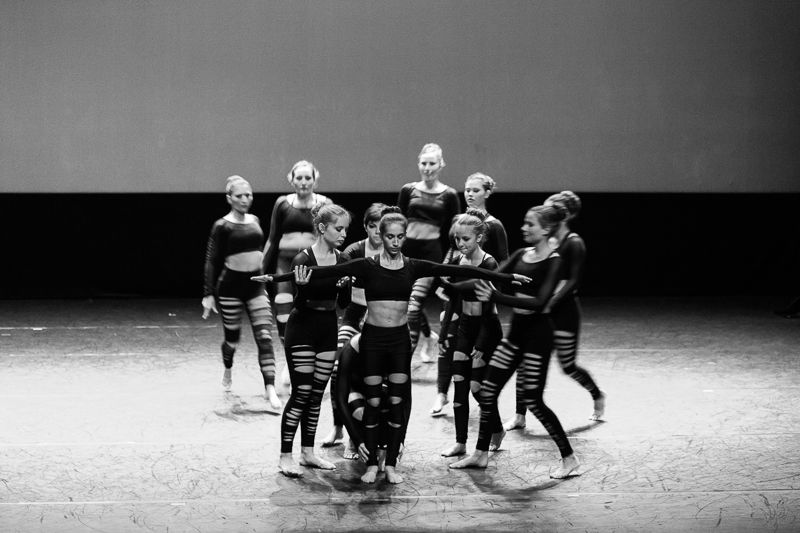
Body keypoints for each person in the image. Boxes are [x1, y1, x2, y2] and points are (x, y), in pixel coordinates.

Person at [255, 207, 529, 484]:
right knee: (361, 400)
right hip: (365, 338)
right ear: (380, 236)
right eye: (390, 236)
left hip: (396, 341)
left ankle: (385, 463)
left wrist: (507, 278)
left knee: (390, 401)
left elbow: (456, 269)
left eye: (400, 236)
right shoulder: (365, 264)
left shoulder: (413, 265)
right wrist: (274, 279)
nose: (395, 242)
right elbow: (323, 271)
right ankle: (362, 462)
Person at [450, 205, 581, 480]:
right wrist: (443, 282)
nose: (524, 228)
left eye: (530, 224)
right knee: (487, 392)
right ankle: (481, 453)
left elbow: (540, 302)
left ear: (546, 229)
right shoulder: (522, 254)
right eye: (524, 223)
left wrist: (496, 297)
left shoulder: (554, 261)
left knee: (534, 400)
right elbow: (490, 278)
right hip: (515, 337)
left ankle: (569, 458)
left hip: (538, 338)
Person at [258, 203, 351, 477]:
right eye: (338, 228)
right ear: (322, 228)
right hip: (303, 329)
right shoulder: (303, 259)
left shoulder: (343, 260)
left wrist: (345, 286)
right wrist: (302, 287)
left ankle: (308, 453)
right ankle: (285, 455)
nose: (343, 234)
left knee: (316, 395)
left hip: (328, 328)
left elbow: (343, 304)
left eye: (345, 229)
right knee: (301, 393)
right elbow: (301, 303)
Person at [504, 191, 605, 432]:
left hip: (563, 312)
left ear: (565, 215)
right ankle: (519, 415)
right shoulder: (543, 242)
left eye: (551, 210)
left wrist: (550, 302)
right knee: (524, 363)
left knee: (567, 366)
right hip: (539, 312)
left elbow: (573, 281)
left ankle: (597, 394)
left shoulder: (573, 242)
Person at [431, 172, 509, 416]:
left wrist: (493, 291)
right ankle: (442, 392)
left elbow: (503, 261)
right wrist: (445, 277)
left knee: (475, 353)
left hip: (479, 295)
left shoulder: (493, 225)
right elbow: (452, 252)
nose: (470, 194)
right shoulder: (460, 221)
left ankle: (485, 401)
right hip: (458, 289)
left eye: (476, 190)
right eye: (467, 190)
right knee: (448, 337)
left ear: (487, 193)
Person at [202, 176, 281, 410]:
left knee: (265, 337)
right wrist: (208, 293)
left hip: (255, 287)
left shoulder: (255, 220)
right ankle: (228, 367)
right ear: (229, 198)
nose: (245, 199)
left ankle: (270, 387)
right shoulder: (222, 226)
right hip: (230, 289)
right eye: (239, 196)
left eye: (248, 195)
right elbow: (212, 260)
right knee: (232, 340)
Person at [436, 210, 506, 457]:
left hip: (487, 329)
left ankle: (497, 429)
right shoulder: (458, 262)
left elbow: (489, 306)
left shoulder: (489, 263)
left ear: (479, 237)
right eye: (457, 239)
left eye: (465, 239)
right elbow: (453, 301)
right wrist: (444, 334)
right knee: (459, 385)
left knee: (478, 388)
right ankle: (460, 442)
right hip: (465, 327)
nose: (460, 243)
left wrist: (482, 343)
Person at [321, 203, 386, 449]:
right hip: (355, 315)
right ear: (366, 227)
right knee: (337, 368)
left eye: (382, 227)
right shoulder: (354, 251)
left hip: (382, 318)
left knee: (379, 373)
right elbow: (340, 283)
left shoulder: (394, 251)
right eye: (372, 226)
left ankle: (377, 432)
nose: (377, 232)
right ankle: (338, 426)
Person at [398, 144, 461, 362]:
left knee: (413, 305)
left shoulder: (449, 195)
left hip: (429, 254)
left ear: (441, 165)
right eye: (423, 163)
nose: (427, 167)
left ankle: (403, 362)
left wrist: (451, 262)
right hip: (405, 252)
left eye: (432, 163)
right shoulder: (408, 190)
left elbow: (455, 231)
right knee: (406, 302)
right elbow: (397, 222)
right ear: (418, 164)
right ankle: (427, 335)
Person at [261, 161, 332, 350]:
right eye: (299, 178)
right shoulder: (282, 203)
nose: (303, 182)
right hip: (285, 263)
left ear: (315, 180)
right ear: (291, 181)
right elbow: (272, 239)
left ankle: (312, 350)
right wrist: (260, 269)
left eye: (308, 177)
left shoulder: (325, 204)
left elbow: (331, 239)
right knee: (283, 304)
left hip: (313, 264)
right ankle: (289, 350)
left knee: (313, 308)